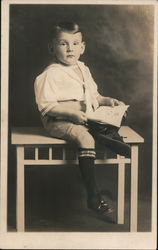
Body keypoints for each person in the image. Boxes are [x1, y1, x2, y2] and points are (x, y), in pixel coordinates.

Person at [34, 22, 131, 217]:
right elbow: (46, 106)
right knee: (85, 138)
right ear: (52, 48)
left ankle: (108, 136)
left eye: (75, 43)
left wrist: (107, 100)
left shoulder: (83, 69)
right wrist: (71, 114)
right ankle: (93, 196)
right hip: (58, 119)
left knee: (106, 123)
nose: (70, 48)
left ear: (82, 48)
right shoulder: (50, 74)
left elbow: (93, 96)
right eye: (63, 43)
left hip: (85, 116)